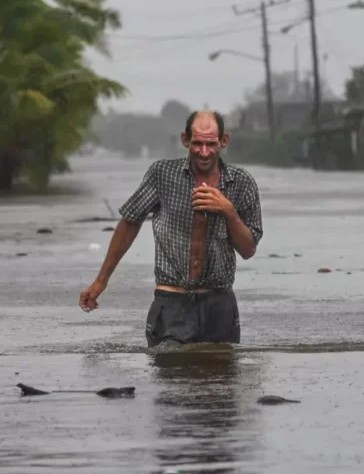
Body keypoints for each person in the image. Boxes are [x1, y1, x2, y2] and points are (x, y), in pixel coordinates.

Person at [78, 110, 263, 347]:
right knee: (170, 377)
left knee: (220, 380)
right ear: (185, 140)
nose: (204, 152)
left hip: (219, 304)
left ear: (223, 141)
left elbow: (248, 250)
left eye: (211, 144)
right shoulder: (162, 175)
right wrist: (100, 282)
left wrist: (228, 211)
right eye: (197, 143)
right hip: (172, 301)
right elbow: (129, 222)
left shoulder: (242, 182)